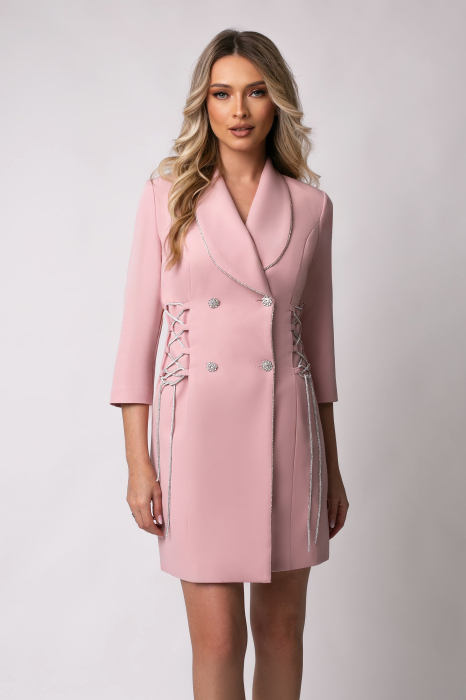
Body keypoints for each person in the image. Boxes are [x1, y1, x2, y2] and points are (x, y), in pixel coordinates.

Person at [110, 28, 349, 700]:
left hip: (287, 434)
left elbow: (319, 348)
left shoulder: (312, 208)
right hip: (197, 436)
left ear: (278, 102)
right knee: (216, 640)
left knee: (282, 631)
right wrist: (137, 463)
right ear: (204, 103)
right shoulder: (166, 198)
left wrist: (331, 467)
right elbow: (136, 341)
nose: (238, 110)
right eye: (222, 93)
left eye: (255, 92)